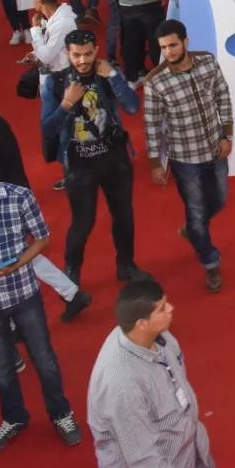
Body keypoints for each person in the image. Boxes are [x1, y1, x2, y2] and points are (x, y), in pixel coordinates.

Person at [0, 155, 85, 454]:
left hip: (24, 294)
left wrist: (17, 264)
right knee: (1, 367)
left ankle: (61, 414)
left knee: (44, 360)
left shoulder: (20, 197)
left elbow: (43, 239)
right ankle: (14, 418)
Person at [0, 76, 93, 321]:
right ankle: (72, 294)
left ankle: (64, 298)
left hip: (6, 206)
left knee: (17, 258)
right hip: (18, 194)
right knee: (25, 255)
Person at [41, 30, 150, 287]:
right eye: (76, 55)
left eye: (88, 54)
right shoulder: (55, 82)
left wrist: (113, 77)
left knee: (123, 214)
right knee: (83, 221)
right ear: (67, 54)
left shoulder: (107, 74)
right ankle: (72, 274)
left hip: (115, 158)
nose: (83, 60)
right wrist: (66, 105)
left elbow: (133, 107)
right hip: (79, 163)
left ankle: (126, 265)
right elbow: (46, 130)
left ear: (96, 50)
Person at [87, 279, 216, 468]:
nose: (171, 308)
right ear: (141, 324)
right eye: (162, 308)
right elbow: (143, 459)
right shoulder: (122, 385)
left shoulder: (154, 335)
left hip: (188, 449)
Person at [142, 21, 234, 294]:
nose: (168, 52)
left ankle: (193, 229)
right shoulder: (155, 81)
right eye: (163, 47)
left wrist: (226, 134)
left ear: (185, 41)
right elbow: (151, 124)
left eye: (173, 45)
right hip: (184, 158)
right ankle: (210, 262)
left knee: (220, 199)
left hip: (216, 148)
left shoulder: (207, 62)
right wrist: (155, 163)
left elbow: (223, 96)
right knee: (196, 211)